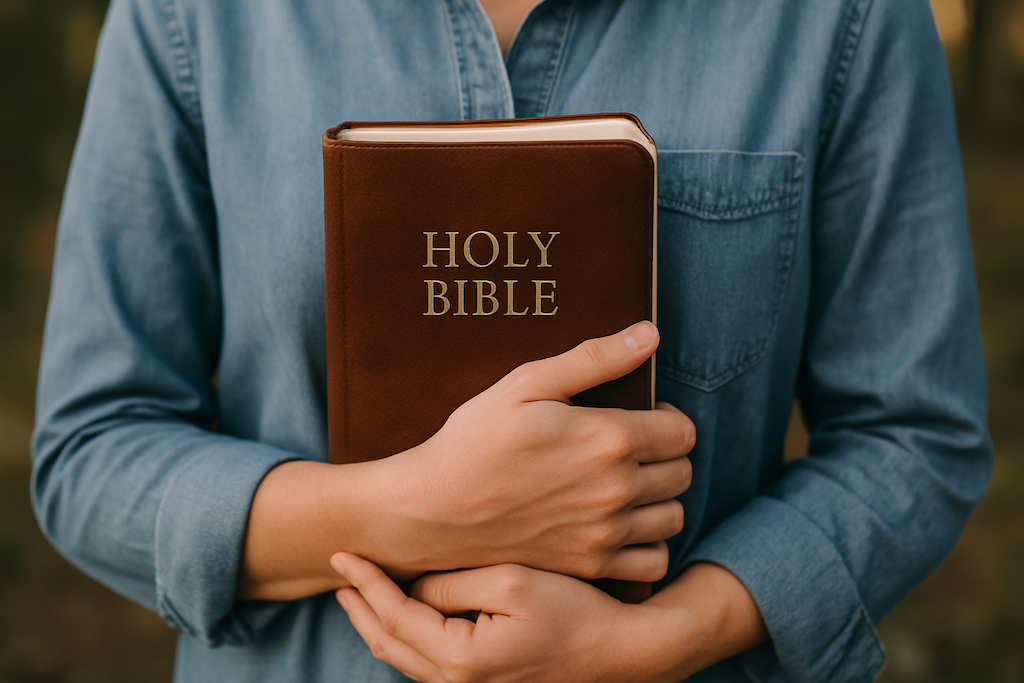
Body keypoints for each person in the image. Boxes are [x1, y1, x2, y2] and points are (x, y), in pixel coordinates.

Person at [31, 0, 992, 681]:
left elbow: (912, 434)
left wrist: (670, 638)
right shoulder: (191, 15)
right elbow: (93, 446)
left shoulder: (844, 15)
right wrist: (399, 509)